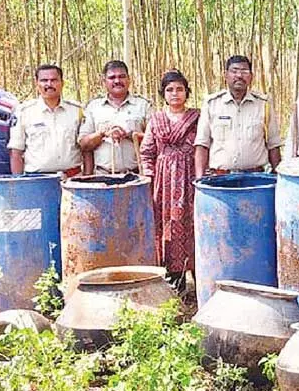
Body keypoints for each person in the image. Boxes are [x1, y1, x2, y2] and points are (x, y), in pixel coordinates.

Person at [140, 70, 200, 292]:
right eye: (170, 90)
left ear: (187, 92)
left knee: (193, 224)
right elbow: (147, 152)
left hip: (190, 177)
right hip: (165, 182)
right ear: (163, 94)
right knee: (168, 226)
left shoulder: (198, 118)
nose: (175, 94)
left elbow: (206, 146)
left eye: (179, 89)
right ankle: (175, 283)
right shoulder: (156, 120)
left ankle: (199, 276)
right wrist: (148, 179)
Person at [194, 55, 283, 178]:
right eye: (234, 71)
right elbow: (202, 144)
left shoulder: (264, 104)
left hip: (256, 179)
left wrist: (278, 177)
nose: (239, 76)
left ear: (251, 76)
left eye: (244, 71)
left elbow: (273, 145)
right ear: (225, 75)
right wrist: (200, 179)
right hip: (220, 179)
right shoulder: (212, 104)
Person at [9, 64, 87, 177]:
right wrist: (18, 183)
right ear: (36, 83)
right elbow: (16, 152)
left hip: (72, 179)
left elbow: (86, 149)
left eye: (54, 80)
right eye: (44, 80)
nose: (49, 84)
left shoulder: (77, 111)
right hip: (36, 181)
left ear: (62, 83)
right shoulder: (24, 112)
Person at [78, 60, 149, 175]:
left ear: (129, 79)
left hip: (136, 176)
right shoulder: (93, 107)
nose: (117, 81)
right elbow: (84, 144)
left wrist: (130, 135)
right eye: (112, 77)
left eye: (122, 77)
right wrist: (102, 134)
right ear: (104, 81)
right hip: (103, 177)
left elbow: (155, 141)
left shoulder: (143, 105)